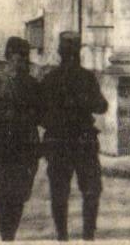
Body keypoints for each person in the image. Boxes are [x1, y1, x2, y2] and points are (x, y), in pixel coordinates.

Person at [0, 36, 48, 241]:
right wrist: (8, 115)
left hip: (27, 147)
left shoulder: (33, 84)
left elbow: (43, 115)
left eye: (26, 57)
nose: (24, 62)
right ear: (9, 57)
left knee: (19, 197)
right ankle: (6, 237)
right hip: (2, 146)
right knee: (4, 196)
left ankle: (11, 235)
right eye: (19, 57)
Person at [39, 32, 108, 243]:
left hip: (60, 141)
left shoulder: (50, 79)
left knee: (61, 191)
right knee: (90, 189)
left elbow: (39, 114)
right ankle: (86, 235)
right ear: (78, 52)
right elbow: (101, 106)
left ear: (59, 52)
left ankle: (64, 235)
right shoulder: (86, 78)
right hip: (81, 140)